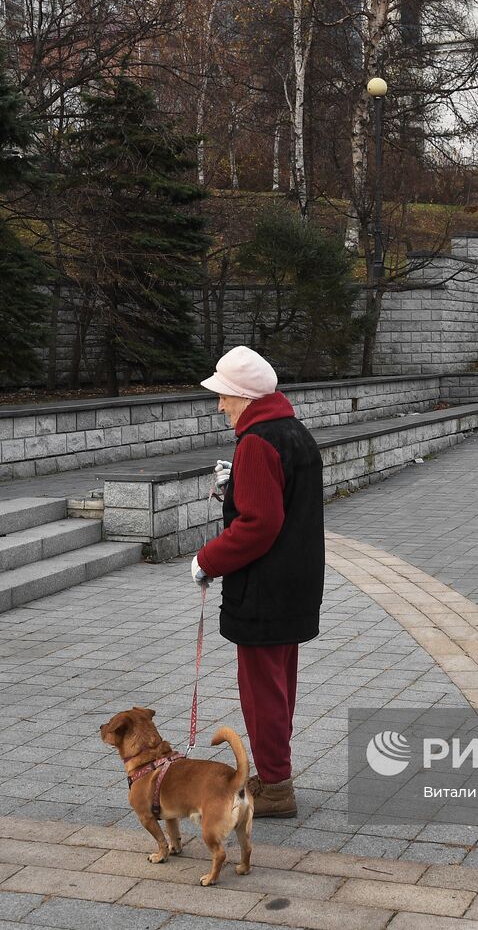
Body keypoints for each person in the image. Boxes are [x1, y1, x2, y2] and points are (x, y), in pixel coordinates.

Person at [191, 347, 324, 818]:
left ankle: (275, 785)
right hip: (296, 585)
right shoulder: (293, 432)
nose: (220, 405)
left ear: (244, 395)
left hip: (265, 591)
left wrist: (207, 559)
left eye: (224, 395)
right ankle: (274, 771)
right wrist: (236, 486)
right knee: (278, 687)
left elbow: (259, 525)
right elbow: (280, 506)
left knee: (262, 693)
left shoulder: (256, 442)